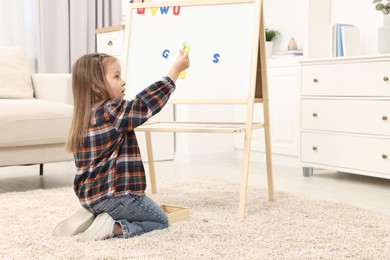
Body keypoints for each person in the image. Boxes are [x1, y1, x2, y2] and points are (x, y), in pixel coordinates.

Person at [53, 50, 189, 242]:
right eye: (116, 76)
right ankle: (114, 227)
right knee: (160, 221)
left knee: (114, 207)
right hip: (117, 197)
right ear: (97, 87)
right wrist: (174, 72)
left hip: (89, 198)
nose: (123, 81)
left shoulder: (82, 119)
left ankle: (94, 215)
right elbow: (143, 105)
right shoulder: (112, 110)